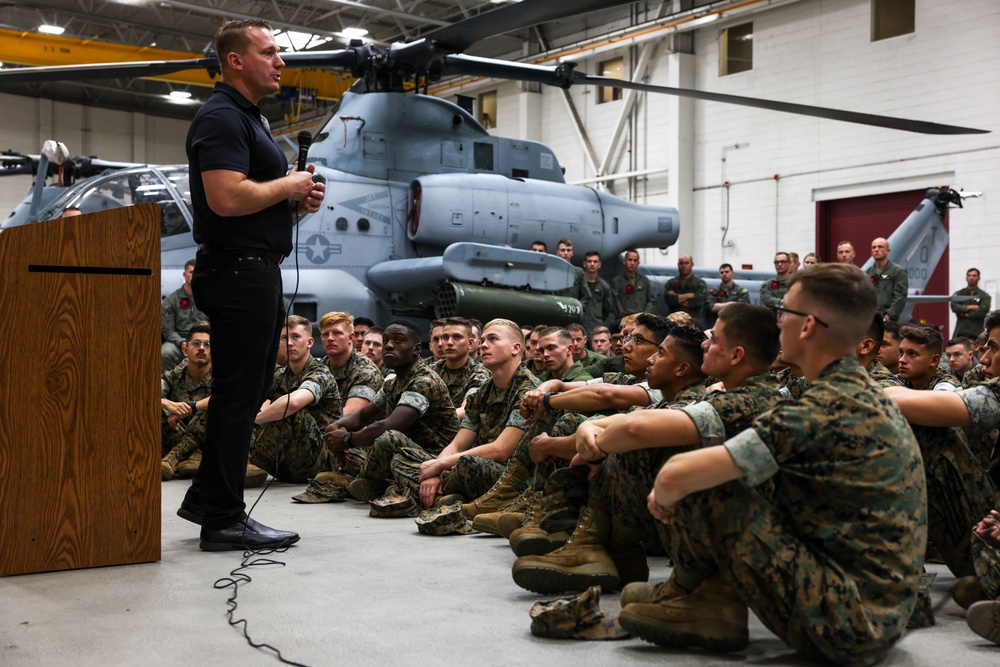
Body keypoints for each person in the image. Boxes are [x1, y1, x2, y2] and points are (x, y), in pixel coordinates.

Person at [619, 264, 927, 664]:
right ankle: (697, 592)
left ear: (808, 326)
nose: (777, 321)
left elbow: (683, 475)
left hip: (848, 623)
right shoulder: (857, 390)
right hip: (873, 608)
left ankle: (706, 603)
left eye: (785, 313)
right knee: (730, 470)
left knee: (705, 477)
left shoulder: (827, 404)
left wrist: (667, 490)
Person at [513, 304, 783, 595]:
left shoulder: (746, 401)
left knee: (639, 448)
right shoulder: (743, 394)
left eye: (714, 340)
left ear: (736, 355)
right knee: (618, 438)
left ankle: (696, 588)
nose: (705, 343)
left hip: (756, 546)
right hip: (745, 535)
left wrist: (593, 439)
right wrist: (588, 431)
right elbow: (633, 420)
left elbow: (635, 429)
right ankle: (600, 546)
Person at [181, 18, 324, 550]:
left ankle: (209, 502)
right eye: (269, 52)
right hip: (239, 273)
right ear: (235, 60)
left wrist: (292, 205)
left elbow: (247, 205)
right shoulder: (222, 117)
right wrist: (289, 183)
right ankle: (222, 518)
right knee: (238, 397)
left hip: (252, 266)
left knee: (242, 394)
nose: (281, 62)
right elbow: (225, 199)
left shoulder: (251, 119)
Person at [391, 319, 539, 508]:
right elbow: (457, 444)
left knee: (468, 464)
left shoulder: (529, 390)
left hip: (513, 478)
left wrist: (439, 466)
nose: (484, 345)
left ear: (516, 348)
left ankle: (434, 496)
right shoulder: (483, 392)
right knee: (403, 456)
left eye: (493, 339)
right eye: (483, 340)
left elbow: (501, 450)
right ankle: (446, 498)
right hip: (474, 467)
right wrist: (436, 470)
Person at [323, 321, 460, 504]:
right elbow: (362, 416)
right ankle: (382, 485)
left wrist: (347, 439)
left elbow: (391, 425)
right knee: (354, 445)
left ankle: (372, 484)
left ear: (416, 349)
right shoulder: (393, 383)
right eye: (386, 340)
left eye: (398, 340)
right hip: (405, 452)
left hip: (434, 458)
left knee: (387, 438)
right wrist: (335, 427)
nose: (388, 345)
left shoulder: (424, 381)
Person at [250, 316, 341, 483]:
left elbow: (293, 403)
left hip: (319, 462)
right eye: (285, 338)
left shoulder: (320, 373)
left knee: (288, 410)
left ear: (310, 342)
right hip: (286, 462)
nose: (290, 343)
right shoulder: (280, 375)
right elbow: (251, 399)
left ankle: (253, 461)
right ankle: (246, 462)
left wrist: (254, 420)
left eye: (296, 337)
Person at [161, 322, 212, 480]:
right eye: (196, 343)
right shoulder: (175, 376)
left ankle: (176, 457)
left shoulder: (223, 376)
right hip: (176, 435)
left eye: (207, 344)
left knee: (219, 406)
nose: (202, 348)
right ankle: (194, 454)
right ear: (185, 349)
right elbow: (144, 392)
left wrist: (193, 407)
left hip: (213, 442)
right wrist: (167, 404)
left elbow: (228, 396)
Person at [319, 311, 384, 416]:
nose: (330, 338)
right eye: (325, 334)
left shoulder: (366, 370)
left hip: (354, 430)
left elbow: (350, 414)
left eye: (337, 333)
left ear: (350, 337)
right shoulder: (320, 367)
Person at [430, 317, 491, 419]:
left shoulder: (479, 373)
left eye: (457, 337)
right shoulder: (431, 370)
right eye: (445, 337)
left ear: (470, 343)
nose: (449, 342)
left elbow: (466, 409)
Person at [161, 259, 208, 372]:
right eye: (191, 272)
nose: (194, 275)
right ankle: (169, 386)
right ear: (184, 274)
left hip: (204, 339)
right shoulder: (172, 300)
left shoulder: (208, 298)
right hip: (178, 340)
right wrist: (182, 342)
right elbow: (167, 329)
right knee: (166, 353)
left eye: (197, 272)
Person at [898, 325, 961, 391]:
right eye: (901, 352)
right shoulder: (899, 379)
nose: (901, 360)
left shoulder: (948, 385)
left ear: (934, 360)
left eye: (912, 354)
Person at [866, 237, 908, 321]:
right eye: (874, 247)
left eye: (880, 247)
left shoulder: (898, 271)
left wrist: (889, 315)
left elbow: (900, 297)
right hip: (870, 320)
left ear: (888, 250)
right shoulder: (867, 273)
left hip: (889, 321)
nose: (876, 249)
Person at [663, 255, 707, 324]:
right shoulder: (671, 283)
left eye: (686, 263)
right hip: (674, 322)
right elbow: (669, 300)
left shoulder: (700, 283)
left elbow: (699, 302)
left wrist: (677, 299)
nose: (683, 266)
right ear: (678, 265)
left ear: (692, 265)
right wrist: (689, 295)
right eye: (681, 263)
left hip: (693, 322)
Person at [610, 249, 655, 316]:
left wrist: (645, 315)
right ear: (624, 261)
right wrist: (623, 316)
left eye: (635, 260)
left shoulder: (644, 281)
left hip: (641, 321)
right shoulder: (617, 281)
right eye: (629, 260)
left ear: (638, 263)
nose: (632, 263)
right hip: (623, 321)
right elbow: (614, 302)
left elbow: (651, 300)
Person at [579, 251, 615, 334]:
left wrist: (596, 318)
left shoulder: (604, 286)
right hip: (579, 326)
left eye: (595, 262)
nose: (592, 264)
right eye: (589, 261)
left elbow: (607, 308)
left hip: (595, 327)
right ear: (584, 264)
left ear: (600, 264)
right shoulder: (578, 283)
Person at [705, 263, 749, 327]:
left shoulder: (741, 291)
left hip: (736, 325)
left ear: (732, 273)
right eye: (722, 272)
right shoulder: (714, 291)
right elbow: (712, 307)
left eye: (727, 272)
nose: (724, 274)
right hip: (718, 325)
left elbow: (741, 307)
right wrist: (732, 304)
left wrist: (720, 306)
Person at [952, 268, 992, 339]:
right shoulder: (959, 294)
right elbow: (954, 306)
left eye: (974, 276)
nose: (971, 278)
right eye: (969, 275)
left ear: (979, 278)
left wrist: (966, 314)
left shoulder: (984, 295)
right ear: (966, 278)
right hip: (961, 329)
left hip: (977, 330)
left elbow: (983, 310)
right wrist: (970, 307)